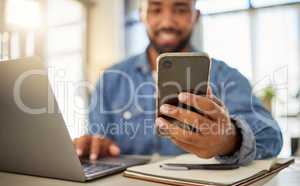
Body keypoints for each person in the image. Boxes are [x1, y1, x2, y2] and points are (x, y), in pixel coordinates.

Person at [73, 0, 283, 165]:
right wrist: (95, 146)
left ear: (196, 15)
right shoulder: (110, 79)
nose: (167, 22)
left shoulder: (225, 76)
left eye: (181, 9)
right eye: (155, 9)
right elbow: (98, 136)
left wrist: (230, 140)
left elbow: (271, 135)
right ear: (141, 14)